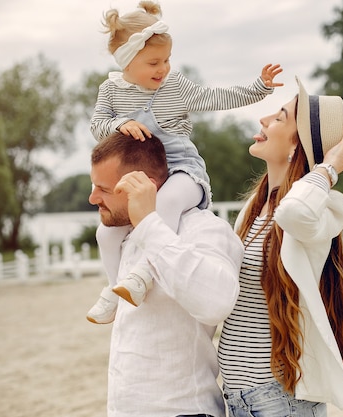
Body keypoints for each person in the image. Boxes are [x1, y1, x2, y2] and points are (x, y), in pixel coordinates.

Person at [87, 0, 283, 324]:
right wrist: (118, 124)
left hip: (181, 170)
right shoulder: (110, 92)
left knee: (165, 203)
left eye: (166, 59)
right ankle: (112, 288)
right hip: (141, 174)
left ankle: (143, 275)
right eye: (153, 62)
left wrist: (258, 88)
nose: (162, 68)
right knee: (106, 234)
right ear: (127, 61)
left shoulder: (174, 86)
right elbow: (97, 125)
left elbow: (215, 97)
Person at [217, 77, 343, 416]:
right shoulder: (253, 207)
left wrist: (329, 168)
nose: (263, 119)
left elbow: (293, 212)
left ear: (297, 147)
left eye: (279, 117)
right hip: (239, 398)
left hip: (279, 399)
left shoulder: (322, 209)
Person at [88, 131, 243, 417]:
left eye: (104, 190)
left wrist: (150, 224)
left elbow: (217, 303)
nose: (92, 197)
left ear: (143, 186)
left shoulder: (204, 230)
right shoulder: (125, 236)